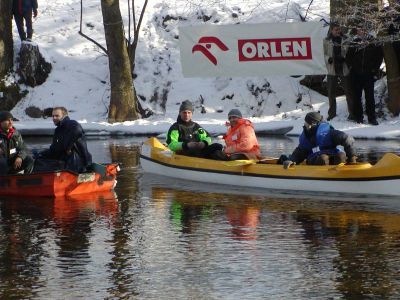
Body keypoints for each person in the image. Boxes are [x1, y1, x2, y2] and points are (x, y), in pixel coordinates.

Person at [282, 112, 357, 169]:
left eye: (306, 123)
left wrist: (352, 159)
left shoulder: (329, 133)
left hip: (332, 156)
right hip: (316, 158)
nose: (305, 125)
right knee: (323, 158)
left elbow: (347, 138)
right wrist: (291, 160)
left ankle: (344, 175)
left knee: (341, 155)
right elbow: (300, 151)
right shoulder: (306, 136)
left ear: (312, 124)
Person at [346, 27, 384, 125]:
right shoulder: (354, 42)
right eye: (359, 29)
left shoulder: (373, 42)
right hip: (356, 73)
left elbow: (379, 56)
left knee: (370, 97)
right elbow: (348, 57)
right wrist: (351, 67)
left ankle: (372, 118)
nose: (360, 31)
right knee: (357, 96)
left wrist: (374, 69)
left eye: (362, 29)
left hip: (368, 73)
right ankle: (358, 117)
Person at [37, 107, 92, 173]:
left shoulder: (71, 124)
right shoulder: (58, 130)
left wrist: (68, 147)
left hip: (76, 164)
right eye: (53, 116)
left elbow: (77, 131)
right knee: (38, 160)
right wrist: (41, 154)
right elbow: (54, 150)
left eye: (57, 116)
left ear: (64, 116)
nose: (54, 118)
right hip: (64, 163)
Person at [323, 23, 353, 121]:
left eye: (339, 29)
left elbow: (350, 52)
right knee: (331, 92)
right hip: (332, 69)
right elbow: (322, 53)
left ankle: (352, 113)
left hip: (343, 68)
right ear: (331, 30)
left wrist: (345, 58)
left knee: (348, 91)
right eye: (336, 29)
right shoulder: (326, 41)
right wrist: (329, 59)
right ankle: (332, 113)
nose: (338, 31)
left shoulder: (346, 39)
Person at [0, 111, 34, 175]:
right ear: (1, 122)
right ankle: (4, 182)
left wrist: (20, 157)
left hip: (12, 159)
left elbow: (23, 148)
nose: (10, 122)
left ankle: (23, 179)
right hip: (2, 161)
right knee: (2, 163)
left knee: (29, 160)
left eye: (11, 120)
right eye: (7, 120)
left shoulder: (16, 134)